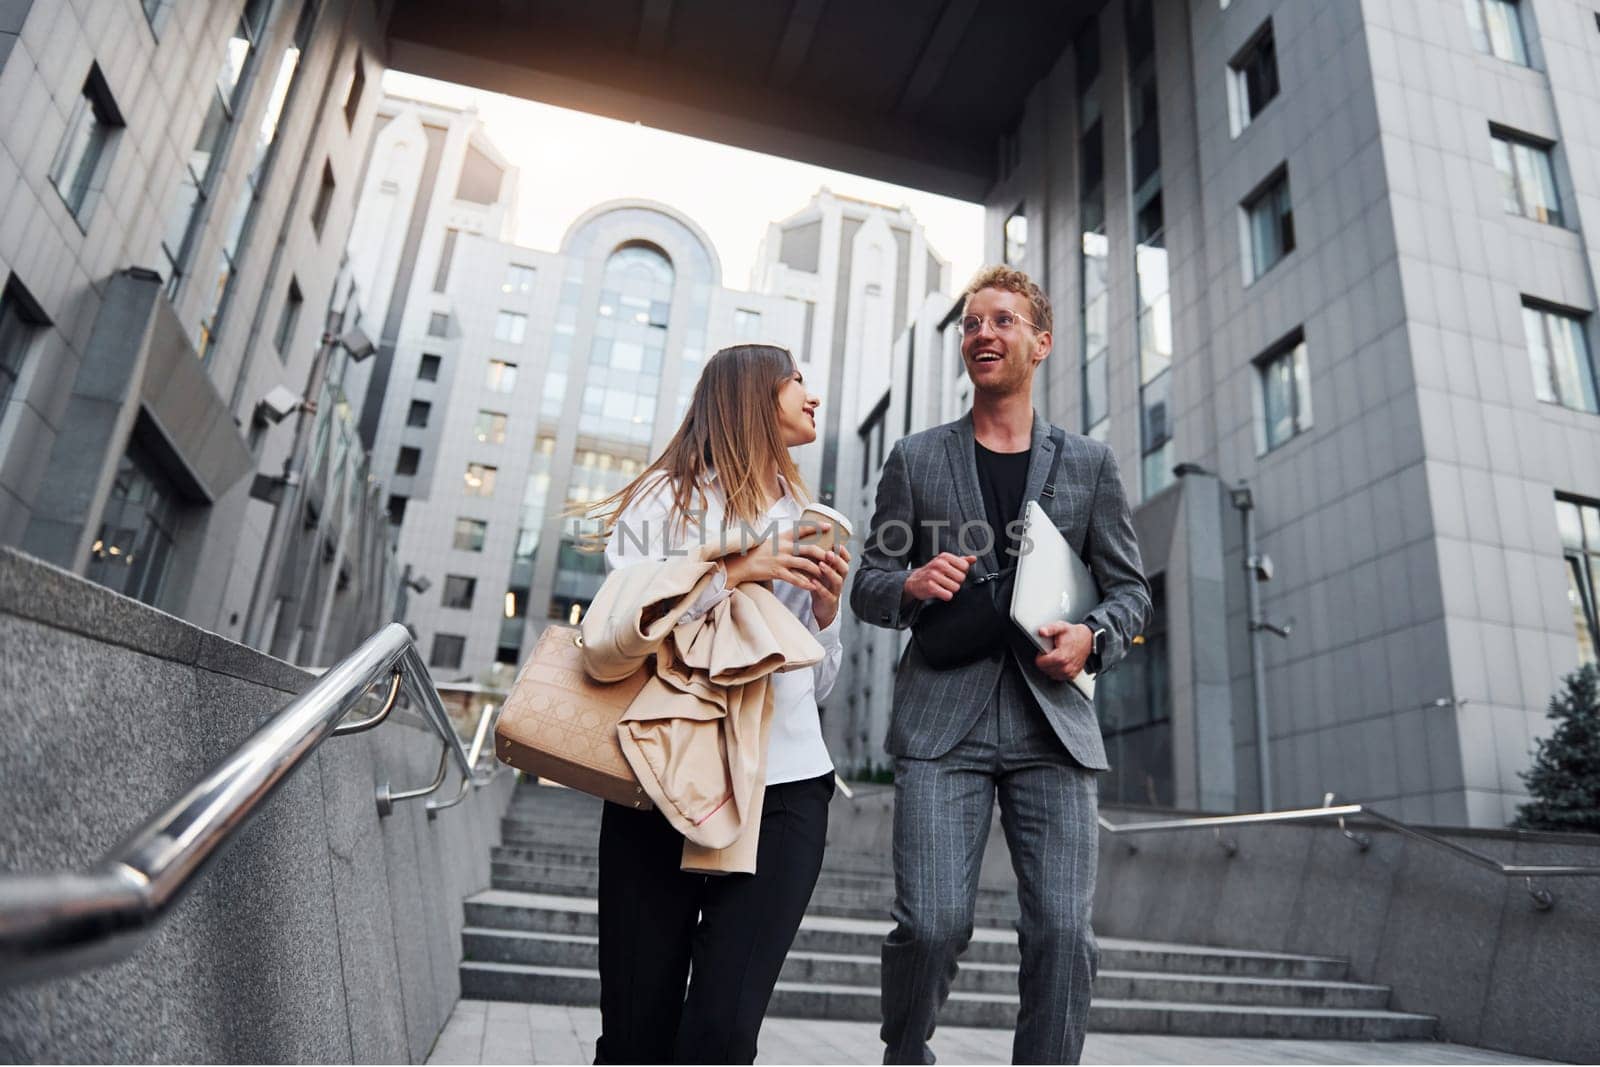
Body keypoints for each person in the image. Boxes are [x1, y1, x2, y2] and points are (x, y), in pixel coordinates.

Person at [850, 266, 1151, 1064]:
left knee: (1061, 929)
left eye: (1004, 320)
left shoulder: (1089, 464)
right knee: (932, 925)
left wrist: (1095, 637)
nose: (983, 332)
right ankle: (906, 1053)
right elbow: (867, 585)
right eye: (972, 322)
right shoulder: (916, 460)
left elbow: (1132, 594)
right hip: (943, 723)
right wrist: (909, 582)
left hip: (1052, 727)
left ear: (1041, 342)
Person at [584, 343, 851, 1065]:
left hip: (787, 782)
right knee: (636, 1035)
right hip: (662, 772)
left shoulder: (806, 515)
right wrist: (737, 567)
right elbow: (624, 624)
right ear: (752, 393)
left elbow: (812, 686)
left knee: (723, 1035)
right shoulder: (661, 500)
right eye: (796, 379)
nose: (811, 394)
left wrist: (826, 615)